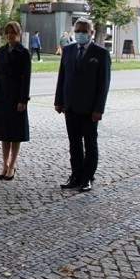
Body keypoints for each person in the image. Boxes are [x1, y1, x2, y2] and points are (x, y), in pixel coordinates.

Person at [54, 18, 111, 192]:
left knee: (90, 144)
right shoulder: (68, 50)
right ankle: (76, 175)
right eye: (77, 30)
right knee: (74, 144)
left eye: (84, 31)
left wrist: (98, 108)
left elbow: (104, 83)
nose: (80, 34)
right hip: (70, 106)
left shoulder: (100, 53)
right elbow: (62, 77)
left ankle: (88, 177)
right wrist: (59, 101)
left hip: (89, 109)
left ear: (91, 33)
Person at [0, 21, 31, 181]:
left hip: (16, 94)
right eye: (7, 33)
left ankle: (12, 165)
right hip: (2, 94)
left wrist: (23, 100)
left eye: (13, 32)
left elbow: (26, 78)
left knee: (15, 133)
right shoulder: (1, 52)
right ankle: (4, 164)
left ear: (18, 33)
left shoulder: (23, 53)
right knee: (4, 132)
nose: (10, 35)